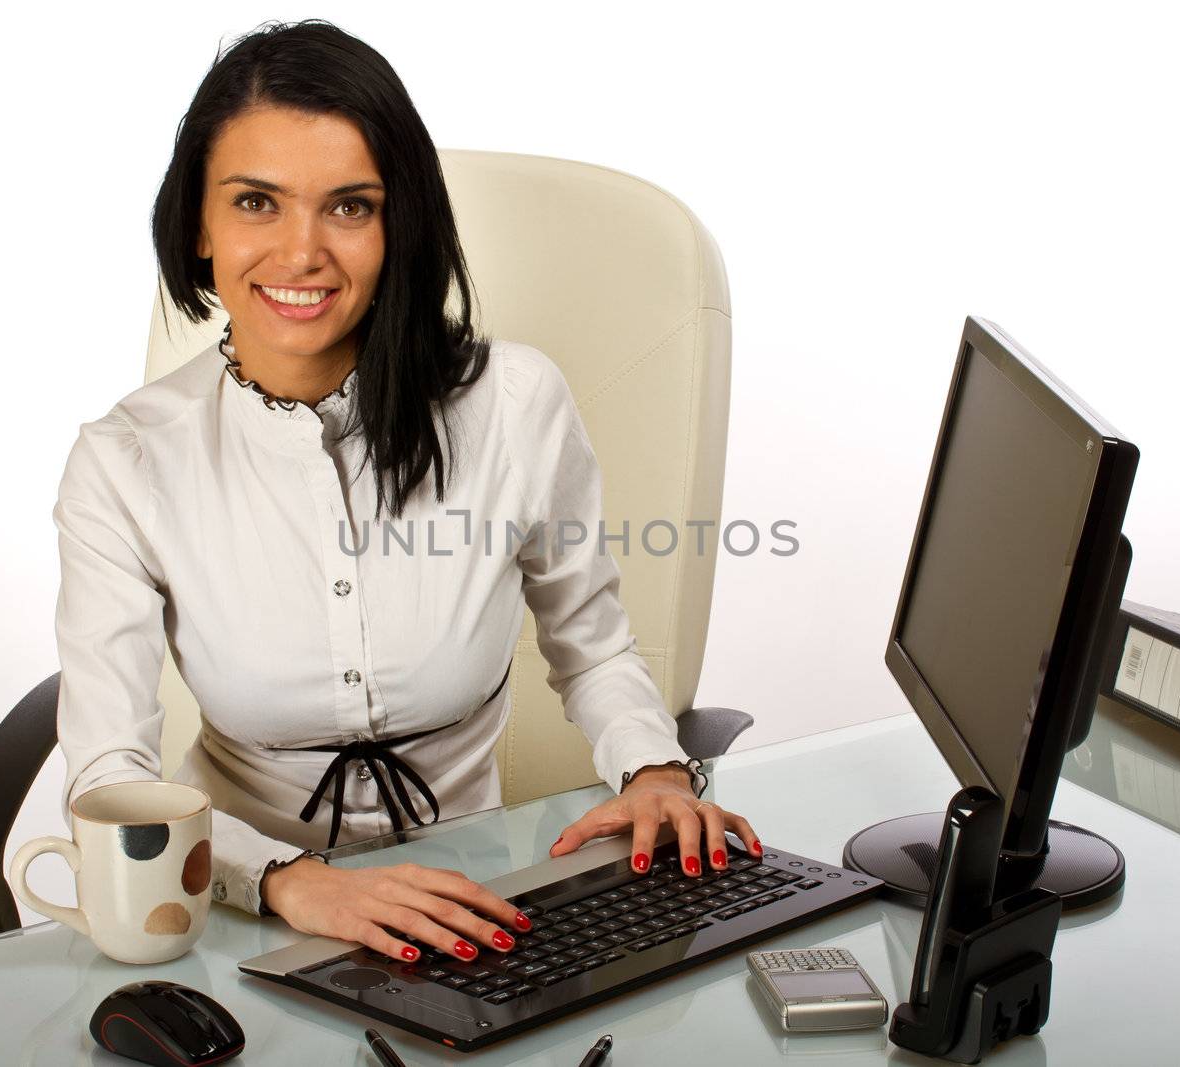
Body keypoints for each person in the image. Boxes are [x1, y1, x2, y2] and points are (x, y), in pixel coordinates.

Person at [53, 18, 760, 967]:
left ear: (399, 225)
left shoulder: (513, 404)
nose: (302, 253)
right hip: (227, 909)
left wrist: (655, 767)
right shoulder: (126, 462)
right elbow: (109, 775)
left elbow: (593, 649)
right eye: (257, 202)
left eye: (348, 207)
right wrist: (287, 881)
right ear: (198, 225)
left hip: (476, 898)